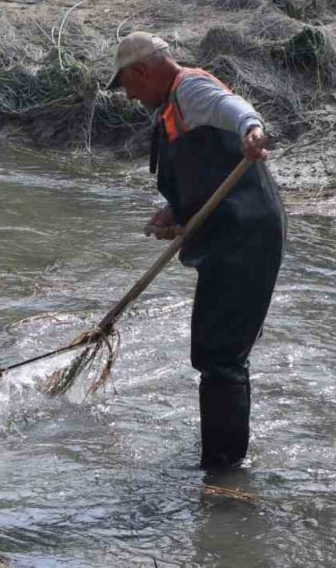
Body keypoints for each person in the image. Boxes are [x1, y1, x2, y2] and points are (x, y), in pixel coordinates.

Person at [107, 31, 286, 470]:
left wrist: (253, 131)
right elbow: (209, 175)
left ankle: (224, 474)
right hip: (230, 235)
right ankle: (223, 455)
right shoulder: (171, 105)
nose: (128, 95)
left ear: (142, 71)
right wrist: (177, 213)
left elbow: (237, 110)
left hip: (247, 237)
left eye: (127, 84)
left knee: (220, 356)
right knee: (216, 351)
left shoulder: (190, 88)